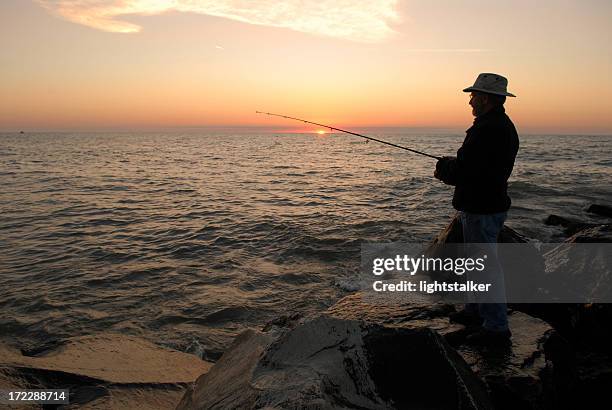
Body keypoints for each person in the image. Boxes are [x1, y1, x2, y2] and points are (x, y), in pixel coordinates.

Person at [434, 73, 519, 344]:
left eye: (473, 96)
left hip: (482, 208)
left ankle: (496, 327)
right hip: (488, 204)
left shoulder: (488, 129)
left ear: (484, 99)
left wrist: (444, 168)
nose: (470, 101)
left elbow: (467, 171)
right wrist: (454, 164)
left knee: (485, 268)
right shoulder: (499, 126)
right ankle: (474, 310)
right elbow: (477, 166)